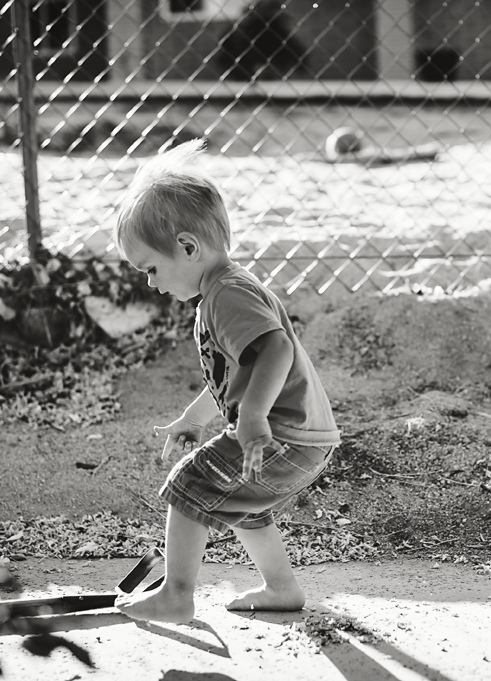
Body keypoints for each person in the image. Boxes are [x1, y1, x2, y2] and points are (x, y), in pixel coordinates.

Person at [111, 140, 340, 623]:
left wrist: (254, 416)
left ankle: (176, 594)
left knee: (191, 484)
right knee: (242, 504)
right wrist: (195, 417)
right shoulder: (223, 291)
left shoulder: (227, 296)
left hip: (281, 435)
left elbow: (277, 348)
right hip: (299, 439)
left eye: (151, 268)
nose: (151, 283)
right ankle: (281, 588)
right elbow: (237, 370)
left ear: (188, 247)